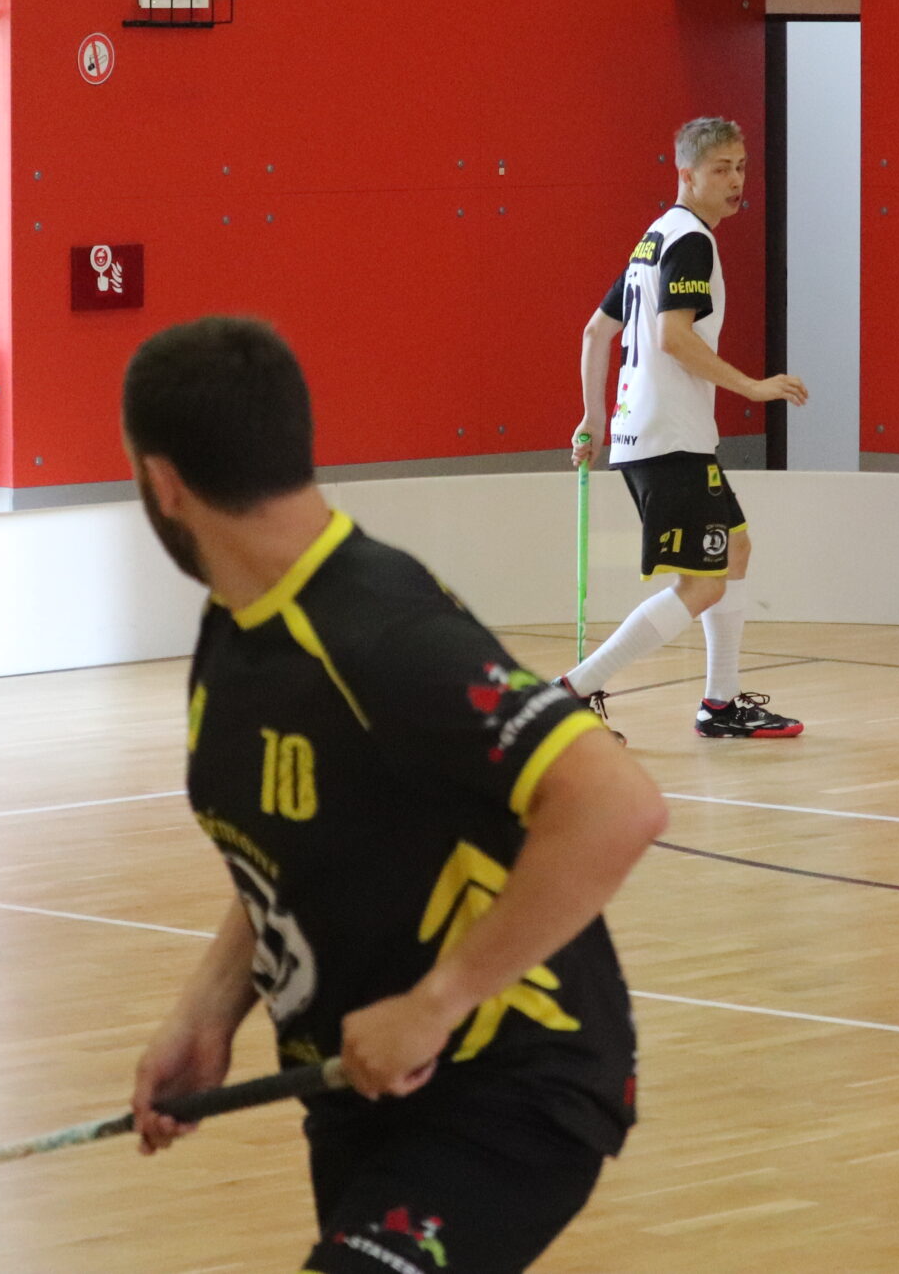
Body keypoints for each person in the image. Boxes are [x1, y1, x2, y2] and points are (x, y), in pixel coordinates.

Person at [123, 317, 668, 1274]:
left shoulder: (379, 632)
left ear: (163, 482)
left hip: (508, 1083)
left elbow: (617, 804)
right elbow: (299, 845)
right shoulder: (238, 626)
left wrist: (434, 1002)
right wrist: (208, 1010)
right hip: (359, 1088)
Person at [564, 115, 808, 739]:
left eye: (741, 167)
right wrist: (752, 386)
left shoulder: (656, 237)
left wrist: (595, 416)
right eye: (721, 169)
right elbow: (672, 337)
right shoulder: (691, 240)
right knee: (701, 584)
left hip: (664, 434)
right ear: (687, 174)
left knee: (735, 549)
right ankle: (571, 692)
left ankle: (720, 705)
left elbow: (596, 332)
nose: (735, 180)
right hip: (668, 436)